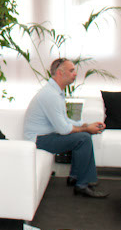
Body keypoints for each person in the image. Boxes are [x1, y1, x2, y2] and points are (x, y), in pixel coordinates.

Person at [23, 58, 108, 198]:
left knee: (84, 135)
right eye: (71, 70)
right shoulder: (50, 95)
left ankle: (75, 177)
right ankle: (82, 185)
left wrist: (87, 125)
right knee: (83, 138)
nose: (75, 74)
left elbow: (65, 121)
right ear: (60, 73)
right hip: (38, 140)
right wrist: (87, 129)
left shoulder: (56, 92)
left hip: (46, 136)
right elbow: (64, 129)